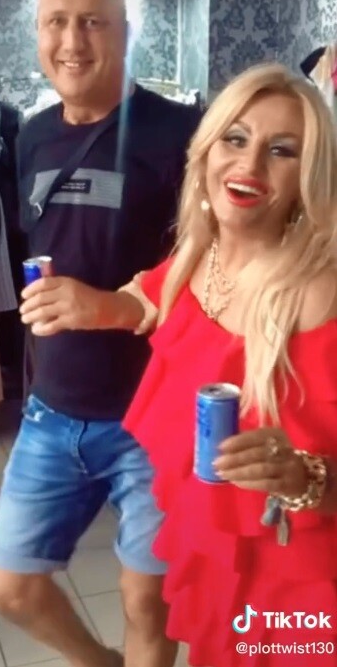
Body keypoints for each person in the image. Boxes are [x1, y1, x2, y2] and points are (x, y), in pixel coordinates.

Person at [24, 63, 337, 666]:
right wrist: (95, 305)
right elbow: (151, 295)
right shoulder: (200, 255)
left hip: (298, 585)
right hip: (222, 559)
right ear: (207, 151)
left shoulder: (320, 293)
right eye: (235, 139)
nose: (249, 165)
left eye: (282, 151)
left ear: (309, 176)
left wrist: (305, 478)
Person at [0, 0, 202, 667]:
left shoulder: (185, 132)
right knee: (11, 587)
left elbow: (217, 272)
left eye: (92, 22)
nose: (71, 41)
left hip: (154, 415)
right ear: (37, 33)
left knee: (147, 601)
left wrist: (111, 306)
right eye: (55, 22)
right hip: (53, 409)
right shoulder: (32, 134)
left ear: (125, 32)